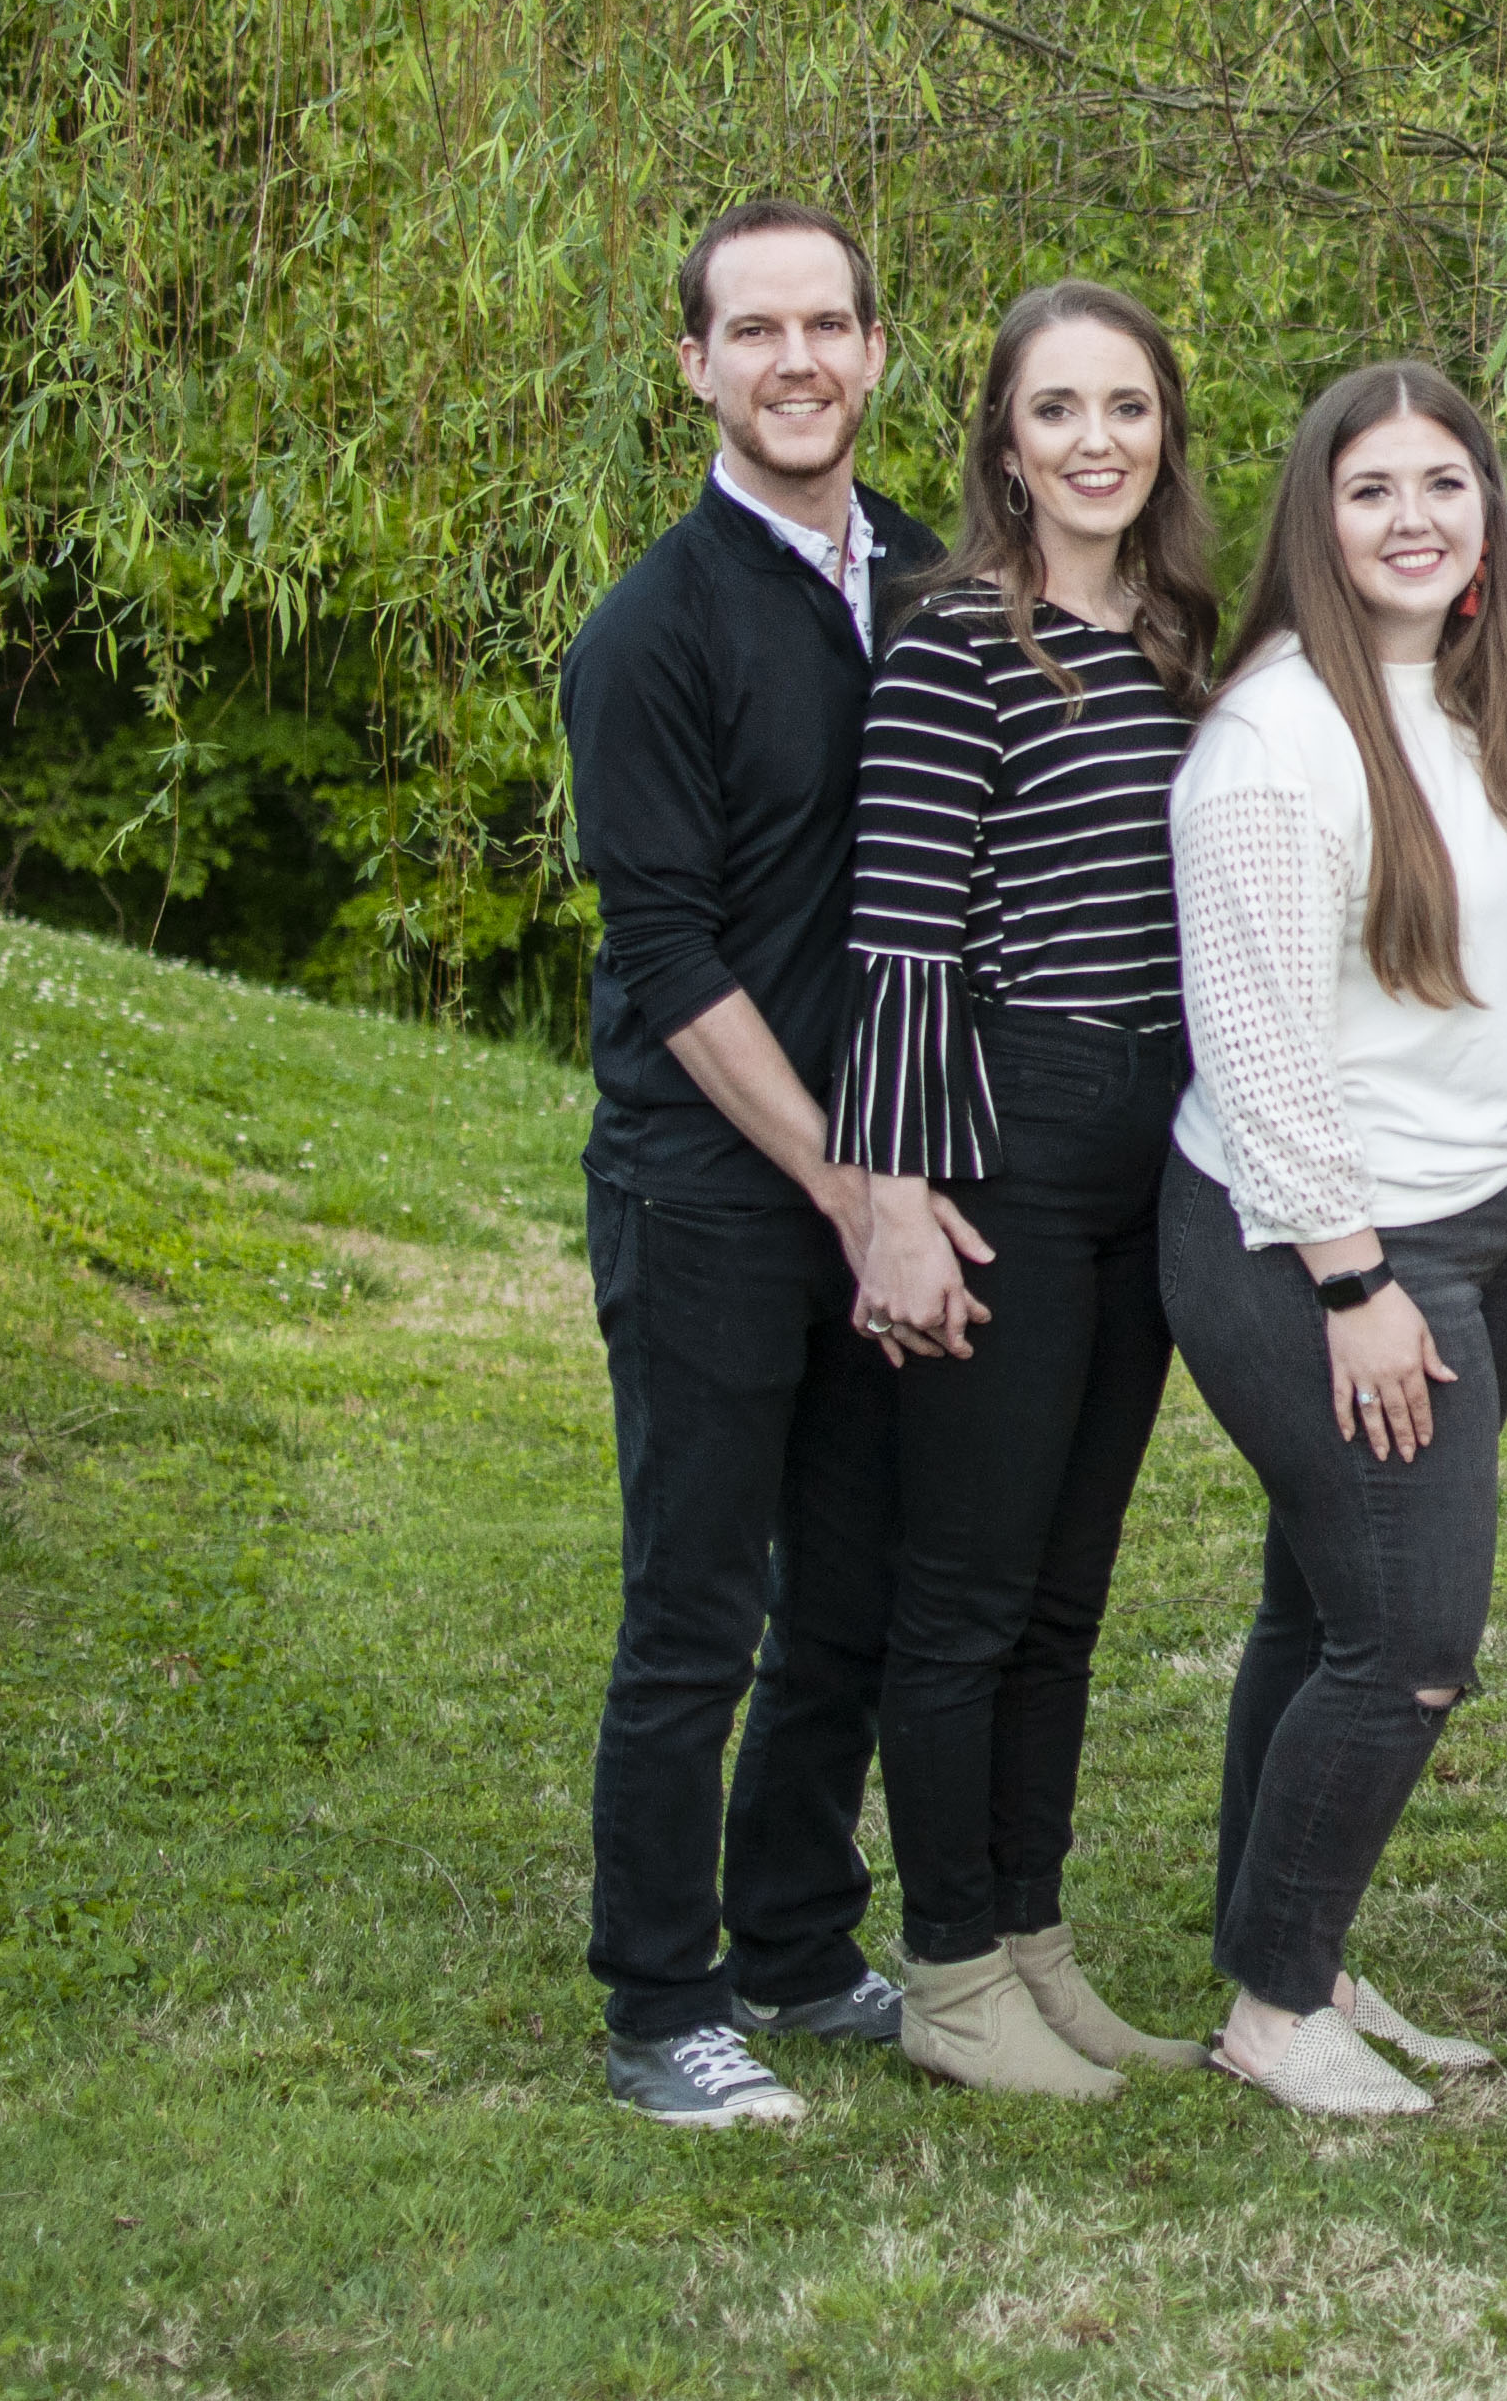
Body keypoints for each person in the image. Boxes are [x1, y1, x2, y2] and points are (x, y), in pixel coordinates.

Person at [1162, 362, 1507, 2115]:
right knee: (1411, 1636)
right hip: (1325, 1241)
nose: (1413, 517)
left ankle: (1293, 1949)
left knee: (1320, 1607)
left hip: (1484, 1220)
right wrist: (1351, 1284)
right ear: (1315, 525)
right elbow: (1254, 1036)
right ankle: (1273, 2009)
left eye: (1444, 483)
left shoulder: (1485, 705)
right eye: (1370, 491)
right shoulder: (1280, 738)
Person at [560, 200, 945, 2125]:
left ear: (879, 353)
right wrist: (847, 1187)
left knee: (855, 1595)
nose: (798, 362)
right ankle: (660, 2000)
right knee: (699, 1604)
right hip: (715, 1190)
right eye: (755, 332)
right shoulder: (652, 631)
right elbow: (676, 961)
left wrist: (912, 1189)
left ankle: (796, 1943)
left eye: (829, 327)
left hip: (888, 1194)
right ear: (695, 366)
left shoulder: (936, 587)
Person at [827, 282, 1221, 2099]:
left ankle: (1035, 1941)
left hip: (1156, 1145)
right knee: (967, 1591)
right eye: (1056, 409)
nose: (1093, 441)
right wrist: (897, 1198)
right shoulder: (951, 646)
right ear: (1001, 439)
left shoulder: (1185, 640)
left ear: (1162, 437)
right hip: (1006, 1135)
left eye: (1126, 409)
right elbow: (896, 939)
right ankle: (945, 1968)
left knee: (1070, 1590)